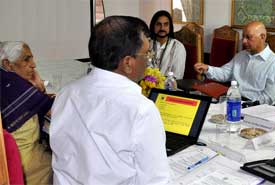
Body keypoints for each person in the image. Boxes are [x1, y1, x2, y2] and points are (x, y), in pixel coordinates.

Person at [50, 16, 170, 184]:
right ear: (128, 63)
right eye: (146, 53)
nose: (148, 60)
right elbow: (156, 180)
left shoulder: (66, 93)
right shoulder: (141, 110)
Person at [1, 41, 53, 185]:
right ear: (7, 64)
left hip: (5, 161)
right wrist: (40, 89)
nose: (33, 64)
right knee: (63, 164)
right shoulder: (16, 85)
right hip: (22, 164)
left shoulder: (3, 79)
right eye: (26, 59)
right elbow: (55, 112)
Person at [194, 21, 275, 105]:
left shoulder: (274, 63)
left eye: (248, 37)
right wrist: (207, 69)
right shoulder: (241, 56)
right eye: (243, 37)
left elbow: (269, 98)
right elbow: (225, 73)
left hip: (255, 108)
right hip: (231, 101)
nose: (244, 41)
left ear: (262, 37)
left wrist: (243, 102)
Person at [149, 10, 186, 79]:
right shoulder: (147, 44)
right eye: (158, 24)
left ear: (170, 27)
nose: (162, 28)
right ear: (153, 26)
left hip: (169, 88)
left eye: (166, 24)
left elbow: (178, 76)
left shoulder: (178, 47)